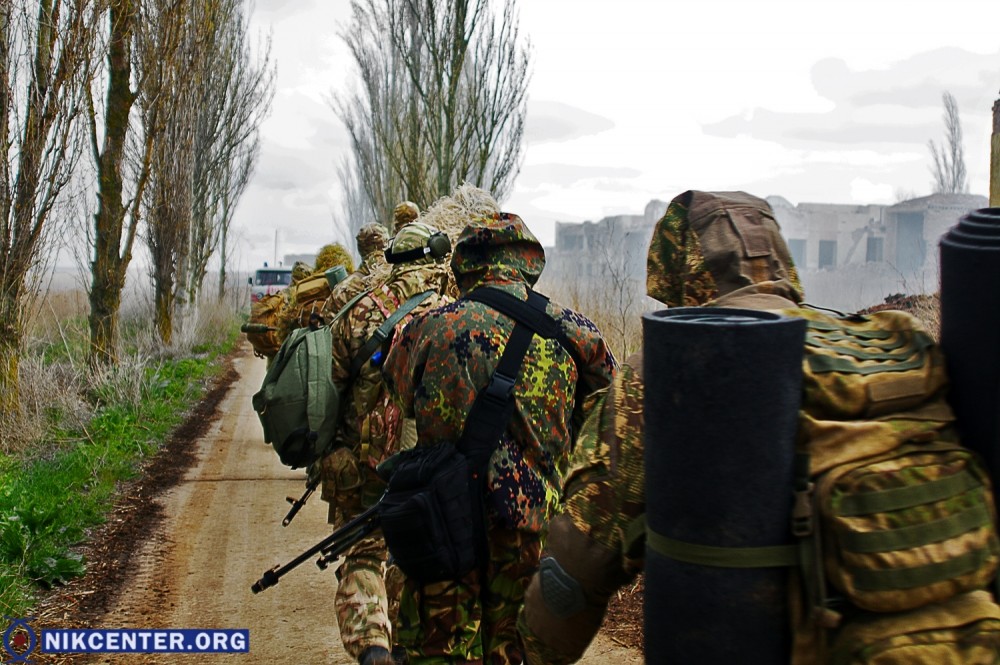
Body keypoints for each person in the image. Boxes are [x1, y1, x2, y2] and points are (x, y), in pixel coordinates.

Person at [516, 190, 805, 664]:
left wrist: (534, 653)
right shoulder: (868, 347)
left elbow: (578, 562)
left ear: (683, 269)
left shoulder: (671, 366)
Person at [381, 186, 617, 665]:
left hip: (442, 521)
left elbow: (400, 397)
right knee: (519, 650)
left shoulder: (427, 327)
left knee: (438, 649)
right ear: (528, 261)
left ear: (465, 262)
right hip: (531, 529)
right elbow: (606, 416)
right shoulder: (576, 332)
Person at [324, 221, 454, 665]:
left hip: (364, 463)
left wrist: (331, 452)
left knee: (363, 556)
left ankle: (373, 649)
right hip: (431, 466)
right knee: (415, 555)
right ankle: (404, 647)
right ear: (437, 260)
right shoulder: (457, 314)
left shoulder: (358, 310)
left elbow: (330, 392)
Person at [325, 222, 391, 316]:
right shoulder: (398, 276)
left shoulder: (343, 288)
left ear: (360, 250)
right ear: (386, 244)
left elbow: (329, 322)